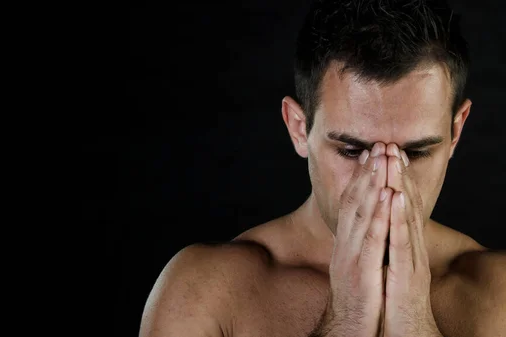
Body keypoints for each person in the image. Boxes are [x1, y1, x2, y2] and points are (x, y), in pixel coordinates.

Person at [139, 0, 505, 336]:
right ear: (299, 128)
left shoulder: (499, 293)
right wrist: (345, 320)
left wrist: (415, 323)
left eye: (418, 152)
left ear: (456, 132)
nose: (387, 181)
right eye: (351, 150)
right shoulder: (206, 292)